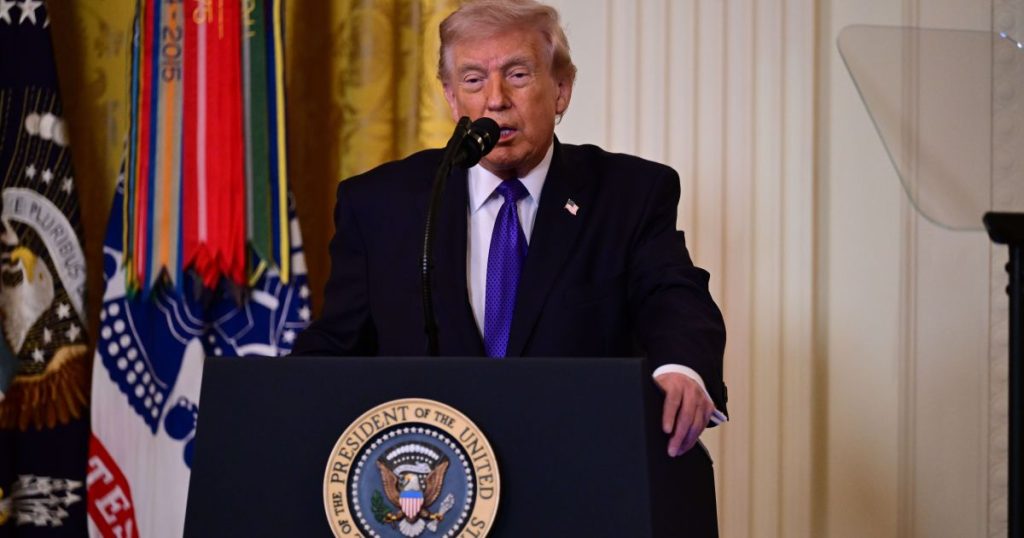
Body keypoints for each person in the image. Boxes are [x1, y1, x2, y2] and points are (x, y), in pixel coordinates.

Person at [293, 0, 727, 532]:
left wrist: (681, 367)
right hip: (437, 506)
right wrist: (277, 405)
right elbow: (337, 345)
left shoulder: (629, 193)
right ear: (451, 97)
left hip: (580, 492)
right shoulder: (381, 204)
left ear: (561, 89)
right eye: (473, 80)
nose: (495, 99)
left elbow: (673, 293)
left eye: (517, 75)